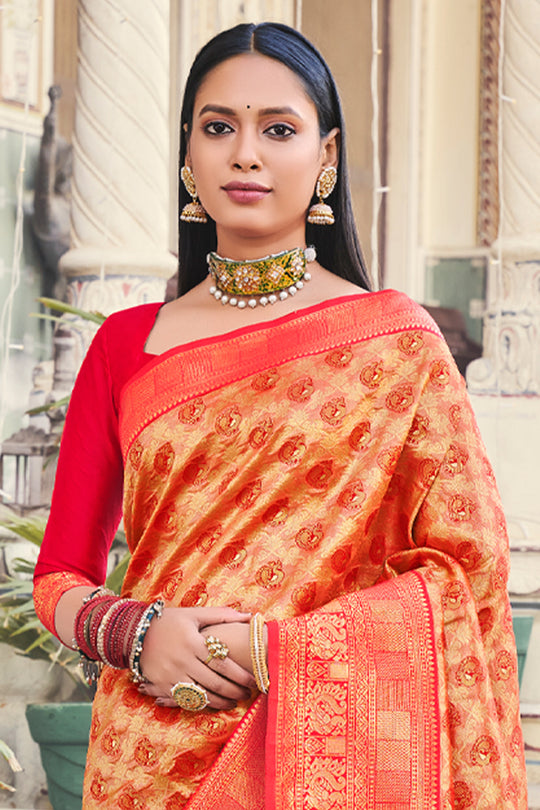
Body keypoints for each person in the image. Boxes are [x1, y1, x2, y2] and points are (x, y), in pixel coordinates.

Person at [33, 22, 527, 810]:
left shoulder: (397, 345)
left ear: (326, 155)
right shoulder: (125, 345)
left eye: (278, 129)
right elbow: (60, 576)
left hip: (330, 758)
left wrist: (275, 649)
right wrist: (136, 633)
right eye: (217, 127)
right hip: (147, 760)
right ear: (188, 152)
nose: (245, 154)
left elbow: (468, 569)